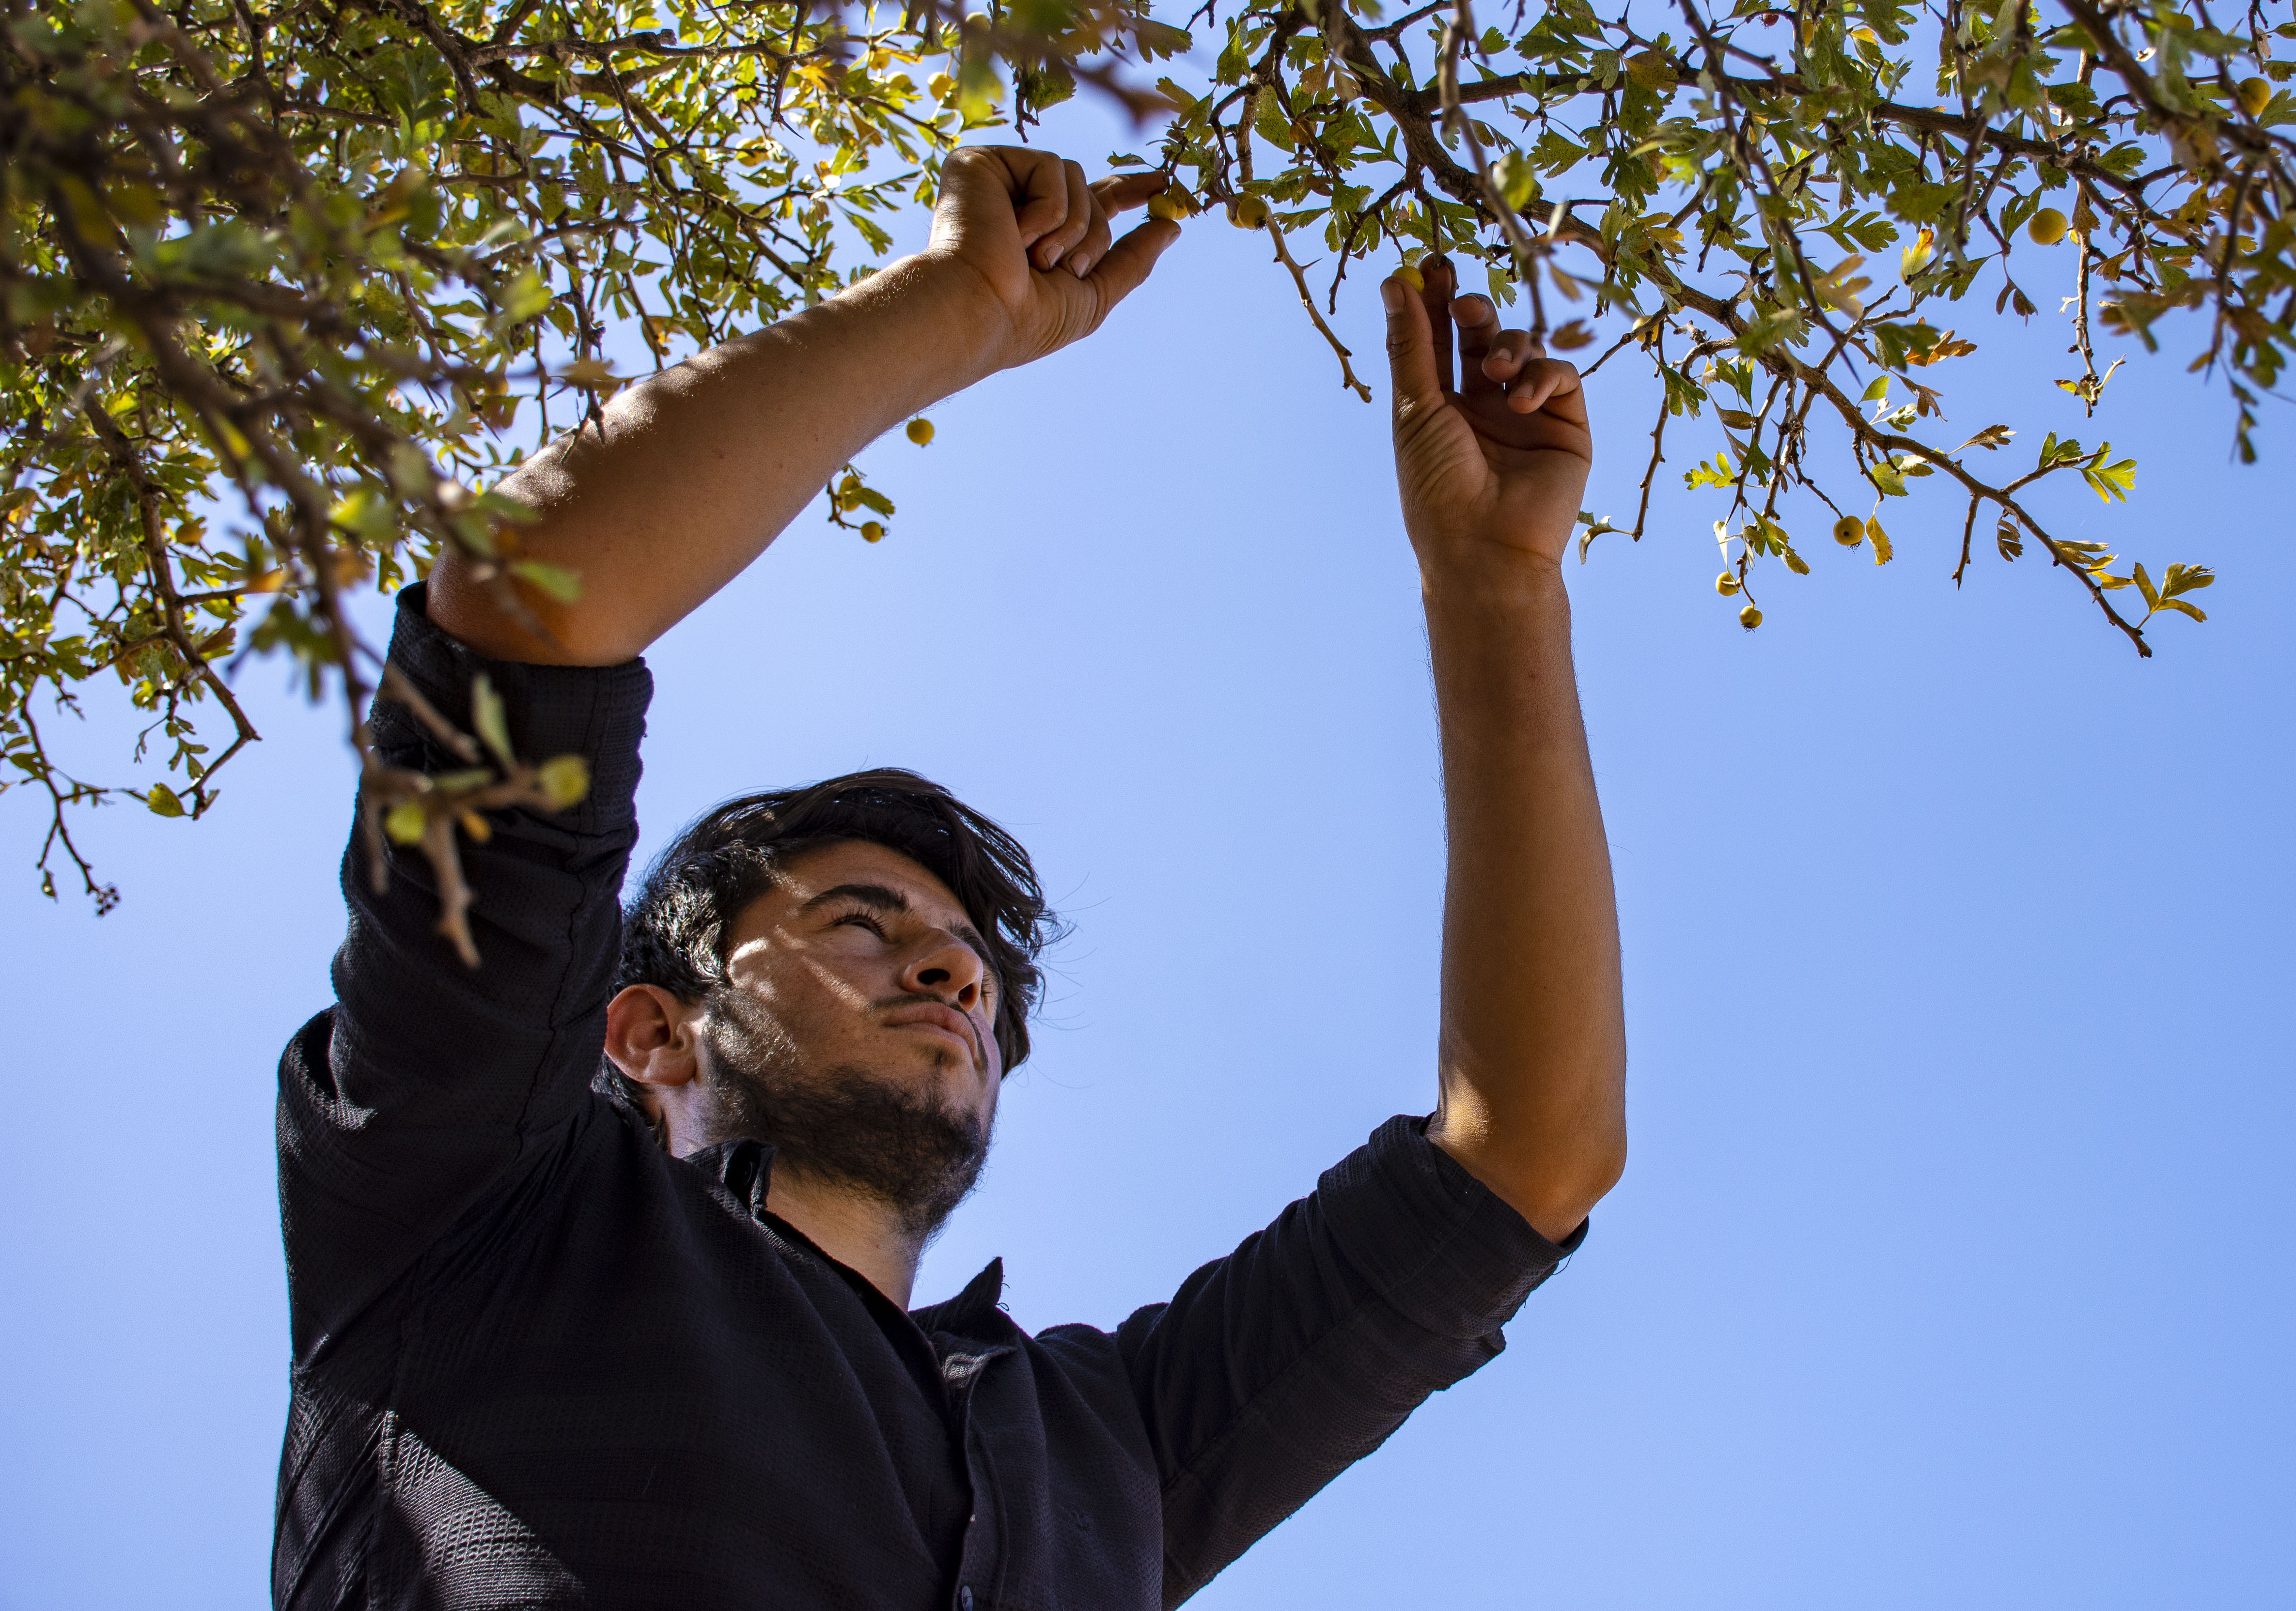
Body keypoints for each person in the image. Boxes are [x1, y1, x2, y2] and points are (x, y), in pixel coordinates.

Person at [271, 149, 1626, 1611]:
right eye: (861, 922)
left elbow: (1524, 1160)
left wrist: (1497, 589)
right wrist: (948, 311)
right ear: (652, 1030)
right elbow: (520, 614)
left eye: (970, 958)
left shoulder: (1108, 1447)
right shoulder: (483, 1201)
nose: (955, 972)